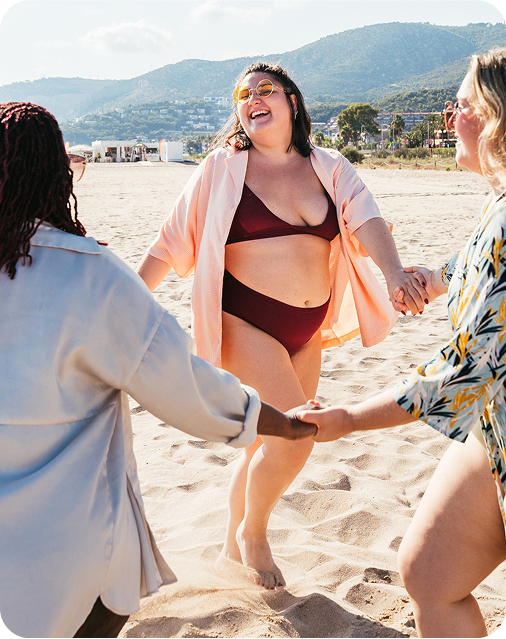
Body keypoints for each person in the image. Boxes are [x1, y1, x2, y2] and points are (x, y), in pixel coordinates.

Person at [0, 102, 318, 639]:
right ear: (57, 175)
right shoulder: (89, 274)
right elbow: (183, 385)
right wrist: (283, 424)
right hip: (70, 555)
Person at [137, 62, 427, 590]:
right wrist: (127, 303)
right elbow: (171, 241)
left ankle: (229, 549)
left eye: (264, 90)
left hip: (306, 329)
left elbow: (366, 216)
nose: (251, 100)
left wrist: (393, 273)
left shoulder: (328, 164)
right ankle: (254, 534)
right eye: (242, 95)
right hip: (245, 320)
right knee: (295, 438)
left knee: (263, 446)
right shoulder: (221, 168)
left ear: (292, 100)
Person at [296, 48, 506, 638]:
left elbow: (462, 372)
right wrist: (431, 280)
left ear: (495, 117)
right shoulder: (498, 205)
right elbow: (476, 264)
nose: (447, 118)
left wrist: (349, 419)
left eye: (458, 104)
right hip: (493, 430)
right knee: (430, 574)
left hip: (491, 413)